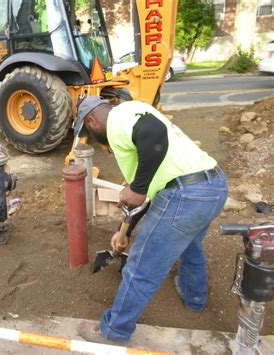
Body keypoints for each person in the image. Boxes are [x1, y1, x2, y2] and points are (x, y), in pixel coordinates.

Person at [73, 96, 228, 344]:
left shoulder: (118, 120)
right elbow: (144, 196)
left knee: (142, 266)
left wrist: (138, 187)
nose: (92, 138)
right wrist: (124, 231)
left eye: (88, 132)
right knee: (189, 245)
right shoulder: (136, 112)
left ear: (91, 120)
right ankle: (194, 298)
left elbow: (153, 136)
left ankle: (114, 331)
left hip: (184, 195)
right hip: (213, 187)